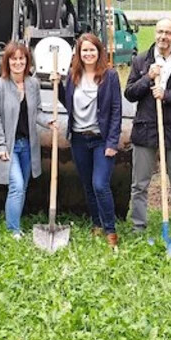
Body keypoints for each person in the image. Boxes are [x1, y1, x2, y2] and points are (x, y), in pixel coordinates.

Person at [124, 19, 171, 237]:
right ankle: (138, 228)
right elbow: (129, 93)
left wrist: (167, 95)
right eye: (159, 32)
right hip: (146, 129)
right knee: (139, 184)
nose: (163, 36)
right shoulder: (141, 60)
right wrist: (147, 78)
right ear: (154, 33)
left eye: (167, 32)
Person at [60, 33, 122, 249]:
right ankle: (97, 223)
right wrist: (56, 85)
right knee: (88, 185)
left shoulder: (110, 76)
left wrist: (112, 142)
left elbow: (116, 110)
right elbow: (67, 102)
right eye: (84, 50)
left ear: (99, 51)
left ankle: (110, 230)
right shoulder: (72, 75)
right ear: (78, 53)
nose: (88, 54)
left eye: (92, 50)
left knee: (100, 184)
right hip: (79, 138)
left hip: (101, 139)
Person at [0, 43, 55, 238]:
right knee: (16, 185)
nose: (18, 62)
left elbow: (37, 112)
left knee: (22, 187)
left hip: (27, 145)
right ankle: (13, 230)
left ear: (27, 61)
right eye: (13, 59)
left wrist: (48, 122)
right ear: (7, 61)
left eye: (21, 58)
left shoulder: (33, 84)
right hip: (9, 146)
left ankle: (14, 223)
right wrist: (0, 146)